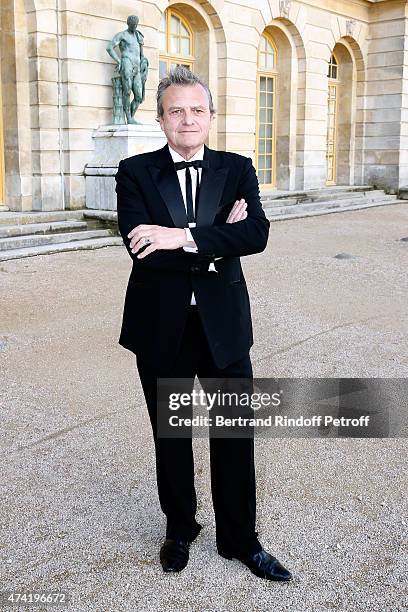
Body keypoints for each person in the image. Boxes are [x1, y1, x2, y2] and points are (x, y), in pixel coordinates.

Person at [115, 66, 292, 581]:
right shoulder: (134, 171)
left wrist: (180, 236)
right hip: (161, 324)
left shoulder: (237, 168)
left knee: (235, 434)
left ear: (211, 117)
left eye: (197, 110)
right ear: (161, 118)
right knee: (170, 436)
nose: (187, 119)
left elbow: (256, 234)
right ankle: (179, 527)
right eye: (176, 110)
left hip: (224, 325)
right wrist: (215, 237)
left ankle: (241, 539)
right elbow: (140, 246)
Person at [106, 15, 148, 124]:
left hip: (137, 67)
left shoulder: (138, 36)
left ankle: (131, 117)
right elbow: (109, 48)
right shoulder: (122, 35)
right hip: (127, 63)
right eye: (133, 25)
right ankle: (129, 118)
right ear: (128, 24)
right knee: (127, 92)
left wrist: (144, 62)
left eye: (136, 25)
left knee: (139, 96)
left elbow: (141, 54)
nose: (135, 27)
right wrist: (119, 61)